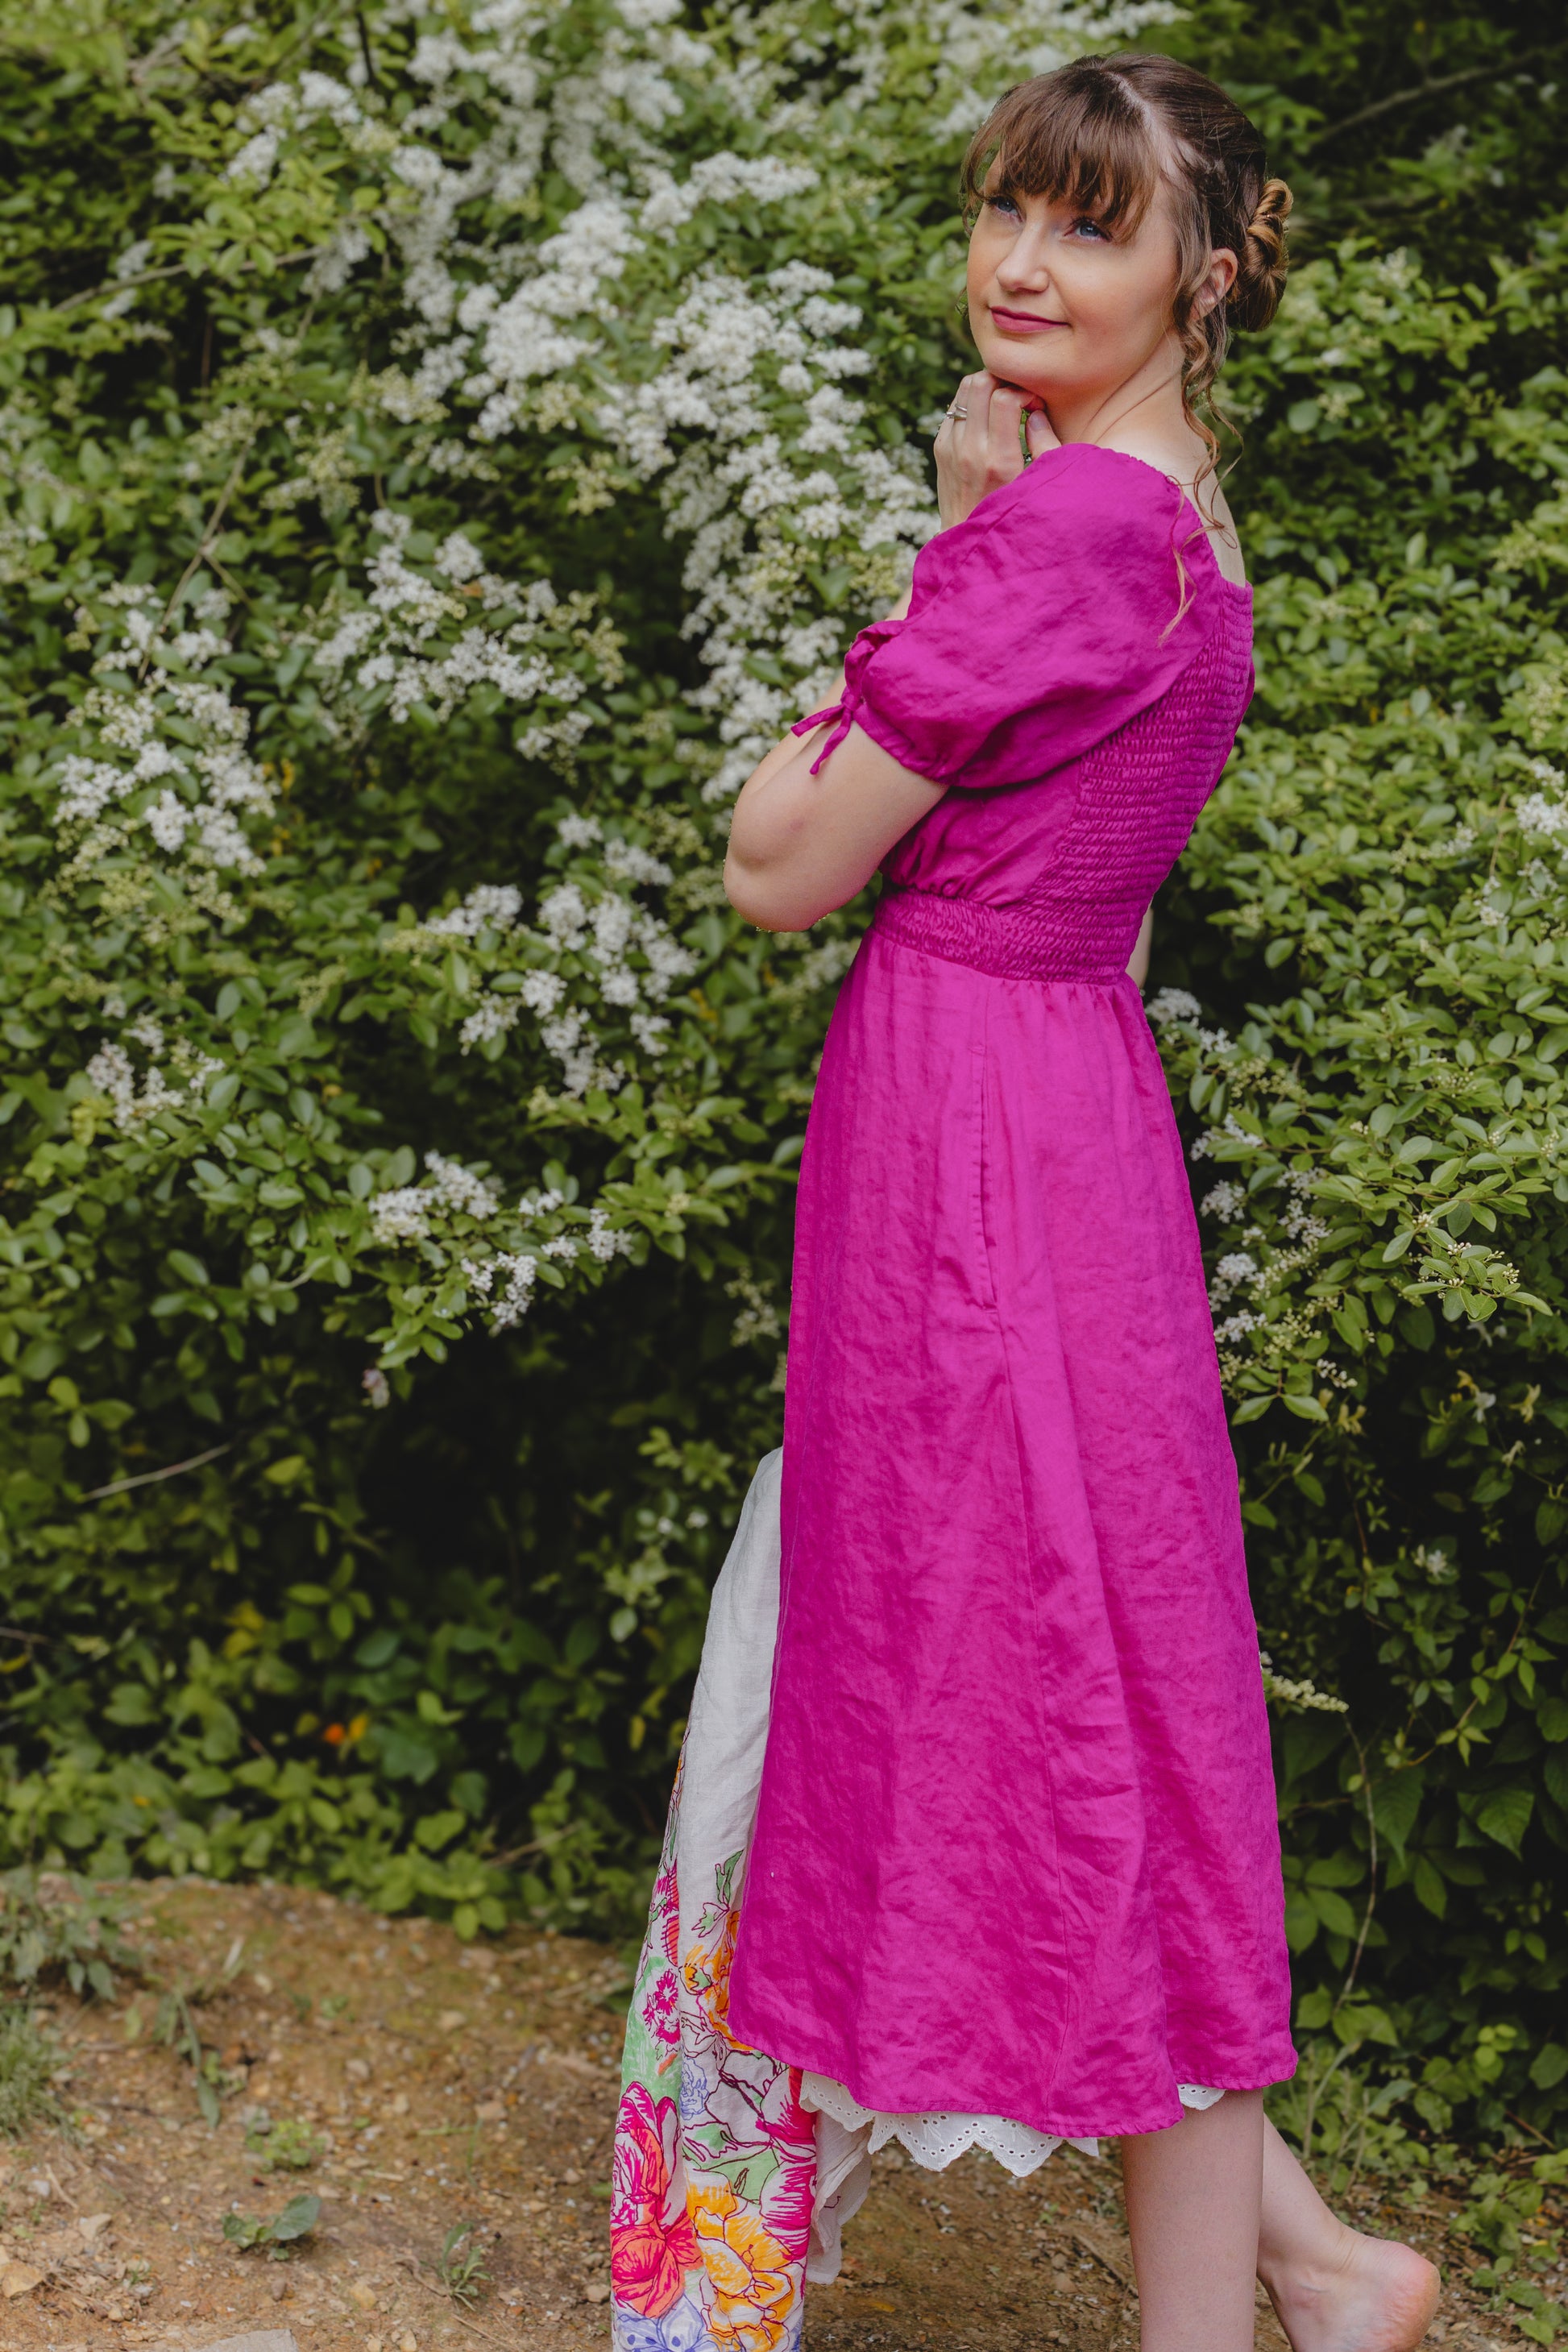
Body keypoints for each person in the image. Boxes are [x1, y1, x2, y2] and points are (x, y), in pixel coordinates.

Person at [610, 51, 1441, 2352]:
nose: (1019, 259)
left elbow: (779, 868)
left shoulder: (1062, 530)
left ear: (1204, 268)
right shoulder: (1179, 515)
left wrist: (949, 536)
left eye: (1086, 223)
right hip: (1059, 1091)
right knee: (1101, 1672)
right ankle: (1300, 2272)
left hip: (974, 1120)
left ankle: (1280, 2280)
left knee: (1042, 1675)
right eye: (1004, 208)